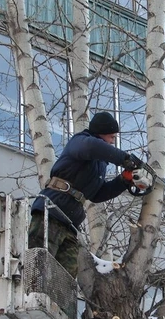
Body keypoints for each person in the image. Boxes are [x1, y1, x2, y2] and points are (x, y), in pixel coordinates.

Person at [28, 112, 141, 278]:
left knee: (66, 277)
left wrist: (124, 180)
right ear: (101, 133)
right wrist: (124, 159)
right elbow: (92, 147)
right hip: (51, 211)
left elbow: (97, 194)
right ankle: (33, 296)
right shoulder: (81, 142)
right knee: (39, 266)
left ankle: (58, 304)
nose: (113, 141)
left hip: (70, 222)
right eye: (111, 136)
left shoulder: (99, 163)